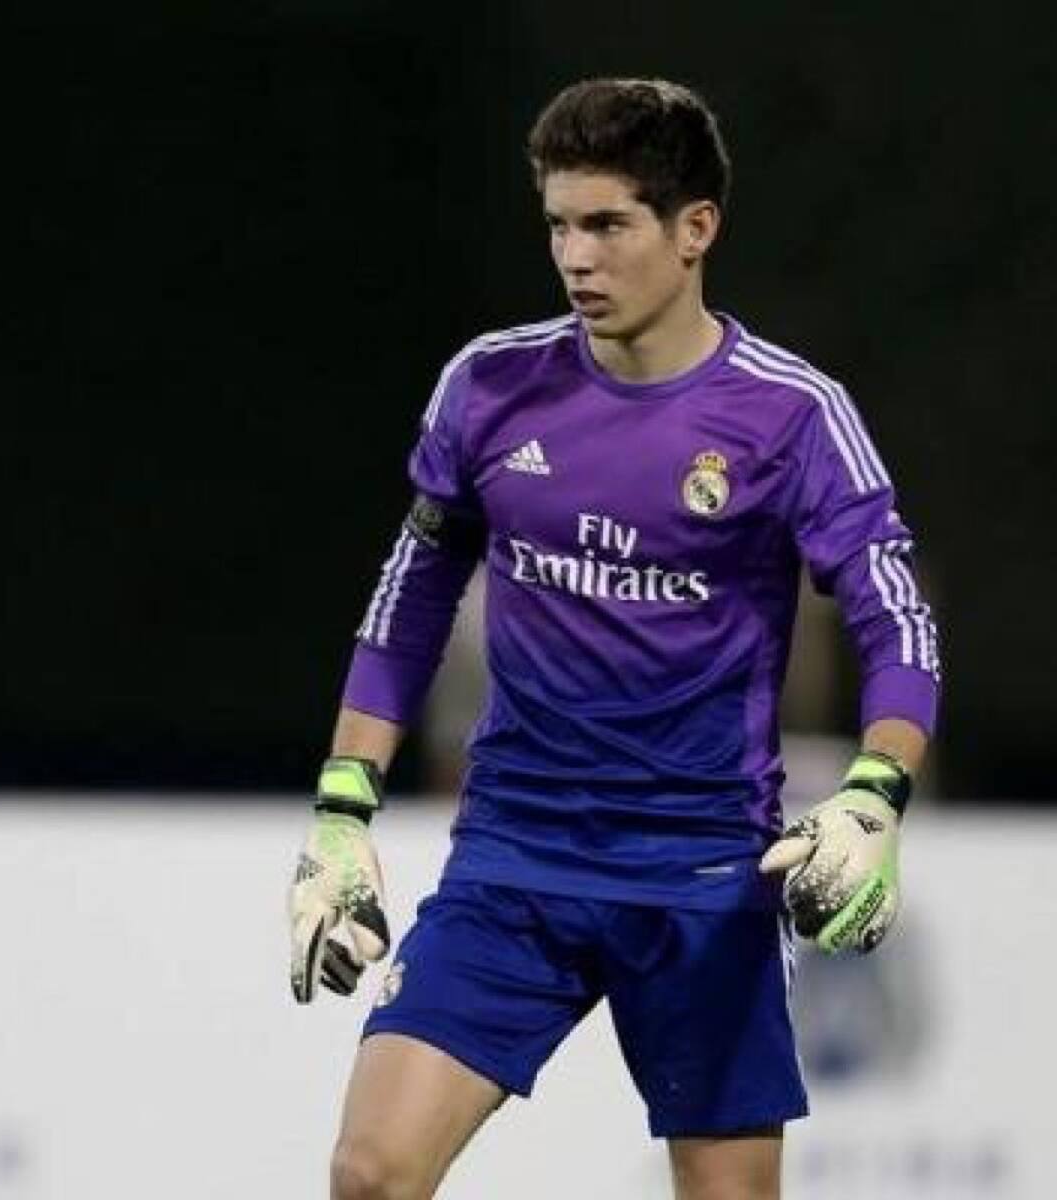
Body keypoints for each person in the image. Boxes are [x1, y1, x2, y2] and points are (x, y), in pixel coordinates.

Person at [288, 77, 941, 1200]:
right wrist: (342, 816)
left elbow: (898, 623)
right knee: (370, 1174)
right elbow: (409, 603)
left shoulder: (792, 415)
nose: (575, 258)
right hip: (515, 858)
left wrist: (874, 796)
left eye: (607, 225)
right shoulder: (489, 386)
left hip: (703, 873)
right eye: (558, 226)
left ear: (696, 229)